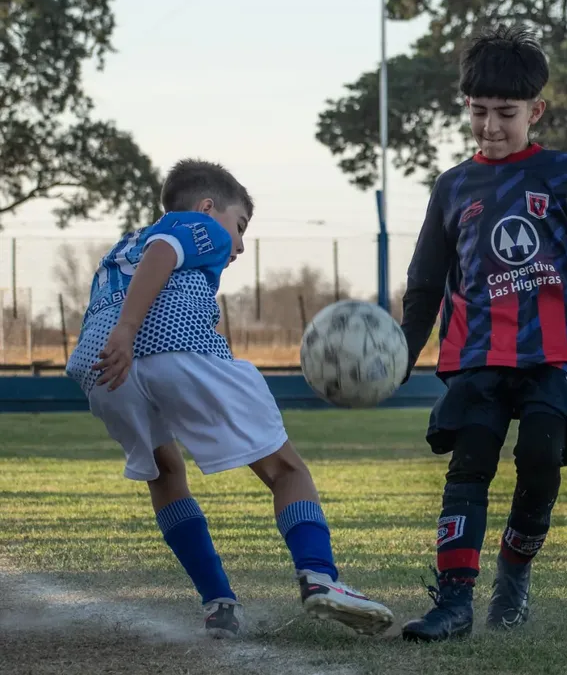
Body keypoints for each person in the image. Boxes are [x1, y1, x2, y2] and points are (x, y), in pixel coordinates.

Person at [397, 25, 567, 642]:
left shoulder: (563, 174)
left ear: (536, 110)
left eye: (506, 113)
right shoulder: (452, 187)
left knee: (540, 459)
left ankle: (515, 576)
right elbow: (425, 283)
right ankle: (452, 603)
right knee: (470, 465)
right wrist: (401, 353)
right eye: (478, 112)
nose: (491, 126)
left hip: (554, 354)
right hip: (477, 354)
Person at [65, 160, 393, 638]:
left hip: (101, 369)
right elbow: (165, 251)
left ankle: (219, 604)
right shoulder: (197, 226)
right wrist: (130, 330)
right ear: (207, 207)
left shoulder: (121, 248)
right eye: (239, 226)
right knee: (287, 470)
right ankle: (321, 576)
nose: (238, 245)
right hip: (167, 345)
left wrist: (120, 335)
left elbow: (140, 271)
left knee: (165, 473)